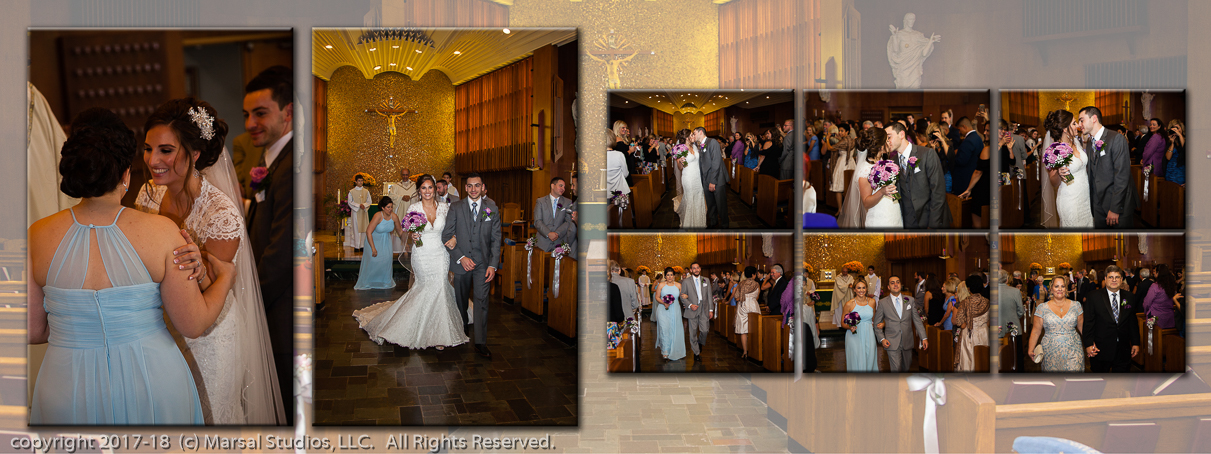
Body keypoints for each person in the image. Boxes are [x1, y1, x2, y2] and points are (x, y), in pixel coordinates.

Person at [29, 122, 236, 424]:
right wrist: (226, 276)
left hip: (67, 383)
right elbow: (193, 323)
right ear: (126, 174)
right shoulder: (162, 232)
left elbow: (34, 331)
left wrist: (74, 330)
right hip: (153, 380)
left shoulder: (37, 236)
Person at [136, 99, 285, 424]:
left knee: (210, 418)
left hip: (209, 334)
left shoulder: (221, 215)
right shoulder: (149, 194)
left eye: (165, 150)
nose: (152, 160)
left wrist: (201, 268)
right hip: (160, 327)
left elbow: (215, 288)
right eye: (148, 149)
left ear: (196, 154)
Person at [354, 175, 466, 350]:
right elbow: (405, 232)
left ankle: (439, 332)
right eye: (424, 188)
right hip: (421, 254)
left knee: (441, 286)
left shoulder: (445, 208)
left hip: (440, 254)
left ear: (435, 189)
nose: (427, 191)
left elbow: (456, 228)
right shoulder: (414, 207)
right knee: (425, 286)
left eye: (430, 188)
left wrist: (454, 237)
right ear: (419, 191)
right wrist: (412, 236)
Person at [441, 173, 502, 358]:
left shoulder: (491, 207)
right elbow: (446, 235)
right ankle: (462, 331)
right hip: (462, 264)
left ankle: (481, 342)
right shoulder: (456, 208)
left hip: (483, 264)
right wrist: (461, 258)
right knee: (461, 302)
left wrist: (493, 265)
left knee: (482, 302)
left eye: (477, 185)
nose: (474, 189)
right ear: (465, 188)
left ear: (482, 187)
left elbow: (496, 238)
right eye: (470, 186)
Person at [1078, 106, 1137, 228]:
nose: (1079, 125)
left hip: (1116, 205)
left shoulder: (1116, 138)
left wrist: (1115, 208)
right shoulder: (1089, 143)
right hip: (1098, 205)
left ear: (1094, 118)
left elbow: (1122, 175)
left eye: (1081, 120)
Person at [887, 122, 950, 228]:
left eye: (889, 137)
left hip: (928, 219)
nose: (886, 141)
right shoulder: (892, 162)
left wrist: (933, 225)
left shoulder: (927, 154)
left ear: (901, 134)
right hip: (906, 221)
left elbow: (938, 191)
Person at [1043, 109, 1093, 228]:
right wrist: (1058, 173)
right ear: (1065, 129)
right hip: (1070, 200)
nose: (1078, 126)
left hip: (1085, 198)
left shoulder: (1076, 141)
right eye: (1074, 123)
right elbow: (1054, 182)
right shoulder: (1055, 150)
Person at [1027, 275, 1085, 372]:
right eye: (1056, 286)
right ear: (1051, 288)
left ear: (1066, 288)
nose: (1060, 289)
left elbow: (1083, 328)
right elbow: (1036, 331)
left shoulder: (1076, 306)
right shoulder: (1042, 308)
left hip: (1074, 350)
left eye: (1062, 286)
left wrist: (1090, 344)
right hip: (1050, 351)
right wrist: (1031, 349)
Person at [873, 276, 929, 372]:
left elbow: (917, 320)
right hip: (891, 341)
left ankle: (903, 386)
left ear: (900, 285)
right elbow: (877, 323)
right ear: (888, 287)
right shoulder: (882, 303)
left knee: (906, 368)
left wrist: (923, 337)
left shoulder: (910, 300)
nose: (895, 284)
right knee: (896, 369)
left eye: (897, 282)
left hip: (907, 340)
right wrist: (882, 338)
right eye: (892, 282)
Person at [352, 196, 402, 290]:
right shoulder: (378, 216)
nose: (390, 209)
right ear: (382, 207)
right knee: (374, 262)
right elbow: (368, 232)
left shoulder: (394, 216)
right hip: (373, 241)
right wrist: (373, 248)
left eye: (391, 207)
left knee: (386, 261)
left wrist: (407, 239)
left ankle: (385, 282)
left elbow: (400, 231)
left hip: (386, 242)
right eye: (388, 207)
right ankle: (369, 282)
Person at [692, 127, 729, 229]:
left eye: (694, 133)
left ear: (700, 132)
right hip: (706, 179)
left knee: (721, 204)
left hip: (716, 179)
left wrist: (713, 181)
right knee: (710, 203)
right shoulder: (702, 144)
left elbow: (716, 163)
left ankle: (725, 225)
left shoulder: (712, 142)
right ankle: (713, 222)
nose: (694, 136)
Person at [679, 262, 715, 362]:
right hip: (692, 308)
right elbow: (682, 296)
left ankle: (700, 342)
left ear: (700, 269)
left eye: (697, 268)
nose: (696, 270)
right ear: (691, 270)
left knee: (705, 330)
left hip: (704, 308)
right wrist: (690, 305)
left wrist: (711, 310)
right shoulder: (686, 281)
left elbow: (709, 296)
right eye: (694, 268)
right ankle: (696, 352)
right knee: (693, 332)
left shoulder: (706, 280)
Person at [953, 276, 990, 371]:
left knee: (969, 361)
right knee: (983, 358)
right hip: (984, 333)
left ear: (969, 289)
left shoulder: (965, 302)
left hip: (969, 334)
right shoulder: (987, 302)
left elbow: (960, 322)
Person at [840, 280, 878, 372]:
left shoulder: (872, 302)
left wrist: (881, 323)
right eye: (859, 288)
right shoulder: (849, 304)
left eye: (863, 287)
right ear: (854, 290)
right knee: (856, 360)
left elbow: (874, 320)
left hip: (869, 335)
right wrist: (850, 327)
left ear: (866, 289)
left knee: (870, 358)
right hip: (854, 335)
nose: (861, 290)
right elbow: (843, 323)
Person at [675, 130, 707, 229]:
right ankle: (688, 224)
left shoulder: (695, 146)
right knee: (690, 198)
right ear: (686, 137)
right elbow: (680, 167)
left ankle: (699, 222)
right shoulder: (680, 148)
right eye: (692, 135)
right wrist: (680, 161)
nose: (694, 136)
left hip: (697, 177)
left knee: (698, 198)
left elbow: (703, 154)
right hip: (688, 177)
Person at [653, 268, 687, 361]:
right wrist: (664, 303)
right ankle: (665, 351)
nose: (670, 277)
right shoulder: (661, 285)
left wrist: (685, 297)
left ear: (674, 276)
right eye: (668, 275)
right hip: (663, 309)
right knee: (664, 329)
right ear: (665, 276)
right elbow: (657, 297)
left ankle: (674, 349)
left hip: (675, 310)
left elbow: (682, 297)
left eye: (671, 275)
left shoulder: (679, 285)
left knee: (674, 329)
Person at [534, 177, 575, 251]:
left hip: (559, 241)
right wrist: (548, 233)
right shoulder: (541, 201)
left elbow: (568, 221)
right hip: (543, 242)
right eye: (560, 185)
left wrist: (557, 233)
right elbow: (538, 221)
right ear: (552, 186)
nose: (563, 188)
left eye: (564, 187)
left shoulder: (568, 202)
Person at [735, 267, 761, 359]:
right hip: (753, 305)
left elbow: (736, 297)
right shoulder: (757, 284)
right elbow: (757, 296)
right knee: (754, 329)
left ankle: (745, 352)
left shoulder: (741, 284)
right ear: (754, 274)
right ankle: (755, 351)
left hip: (743, 306)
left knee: (743, 330)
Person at [1143, 264, 1178, 330]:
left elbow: (1147, 303)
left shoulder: (1155, 286)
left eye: (1154, 271)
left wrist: (1146, 312)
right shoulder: (1171, 285)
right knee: (1168, 338)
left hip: (1154, 316)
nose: (1153, 274)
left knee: (1150, 337)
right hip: (1169, 316)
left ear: (1158, 273)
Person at [345, 174, 372, 249]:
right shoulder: (352, 192)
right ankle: (356, 246)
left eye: (361, 181)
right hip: (356, 212)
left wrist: (364, 205)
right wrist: (358, 205)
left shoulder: (366, 191)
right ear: (356, 182)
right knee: (356, 228)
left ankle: (363, 245)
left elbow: (369, 201)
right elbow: (350, 202)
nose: (360, 182)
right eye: (359, 181)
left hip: (363, 212)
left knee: (364, 228)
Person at [998, 270, 1025, 338]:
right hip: (1013, 326)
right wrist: (1014, 317)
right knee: (1016, 347)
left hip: (997, 329)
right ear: (1007, 280)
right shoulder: (1015, 291)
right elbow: (1021, 311)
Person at [1165, 120, 1185, 184]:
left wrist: (1180, 135)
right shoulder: (1170, 140)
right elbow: (1168, 157)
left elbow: (1185, 149)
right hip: (1171, 169)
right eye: (1174, 128)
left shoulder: (1186, 139)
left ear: (1181, 128)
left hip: (1181, 169)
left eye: (1177, 128)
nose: (1176, 130)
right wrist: (1172, 143)